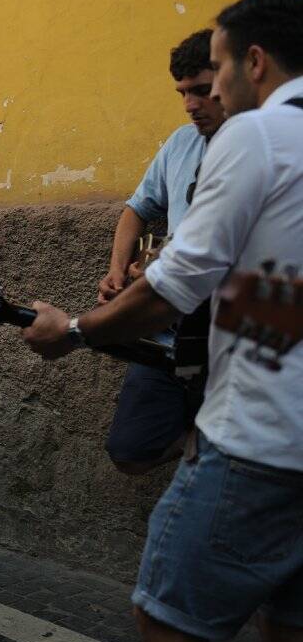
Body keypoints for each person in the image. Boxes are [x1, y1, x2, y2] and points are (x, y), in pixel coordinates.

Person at [23, 0, 303, 642]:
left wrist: (73, 331)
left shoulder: (256, 133)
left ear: (253, 62)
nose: (205, 97)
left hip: (261, 438)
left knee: (166, 618)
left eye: (217, 70)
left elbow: (173, 286)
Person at [98, 30, 226, 475]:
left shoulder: (263, 148)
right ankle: (201, 442)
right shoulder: (179, 144)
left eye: (202, 91)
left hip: (234, 343)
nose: (191, 104)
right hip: (168, 333)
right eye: (183, 93)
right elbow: (137, 209)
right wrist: (118, 273)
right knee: (129, 451)